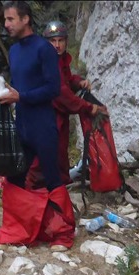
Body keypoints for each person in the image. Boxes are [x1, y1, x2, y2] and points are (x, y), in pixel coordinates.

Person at [0, 1, 75, 252]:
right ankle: (19, 227)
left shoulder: (44, 49)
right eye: (5, 19)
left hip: (43, 125)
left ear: (26, 19)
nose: (6, 24)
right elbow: (17, 86)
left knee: (52, 177)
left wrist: (21, 97)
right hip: (22, 123)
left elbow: (52, 88)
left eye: (11, 19)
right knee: (14, 175)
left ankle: (64, 233)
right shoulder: (14, 51)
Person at [26, 20, 107, 189]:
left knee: (60, 154)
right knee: (42, 158)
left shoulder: (60, 60)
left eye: (60, 40)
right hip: (46, 117)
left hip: (58, 117)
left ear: (65, 42)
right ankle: (30, 194)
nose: (57, 45)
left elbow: (67, 81)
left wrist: (78, 82)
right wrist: (87, 107)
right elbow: (61, 93)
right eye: (52, 41)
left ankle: (60, 190)